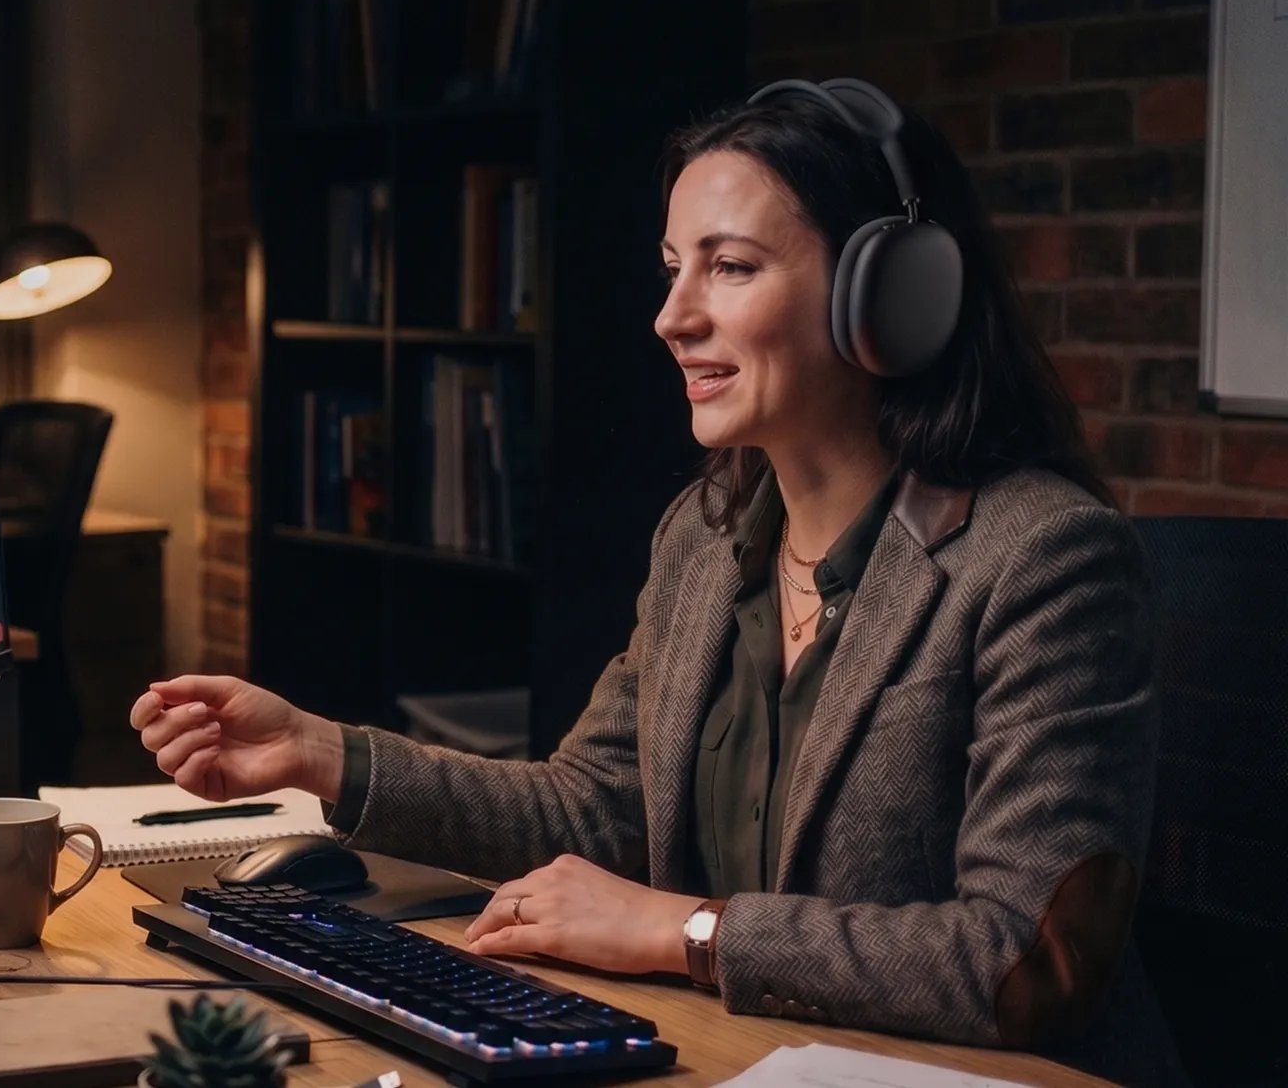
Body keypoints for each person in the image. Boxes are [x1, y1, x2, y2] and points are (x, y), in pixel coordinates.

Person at [127, 80, 1180, 1085]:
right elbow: (594, 809)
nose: (671, 317)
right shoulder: (706, 537)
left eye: (728, 267)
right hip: (737, 1057)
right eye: (673, 266)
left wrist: (684, 930)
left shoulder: (1044, 559)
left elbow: (1023, 960)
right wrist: (320, 754)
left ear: (889, 295)